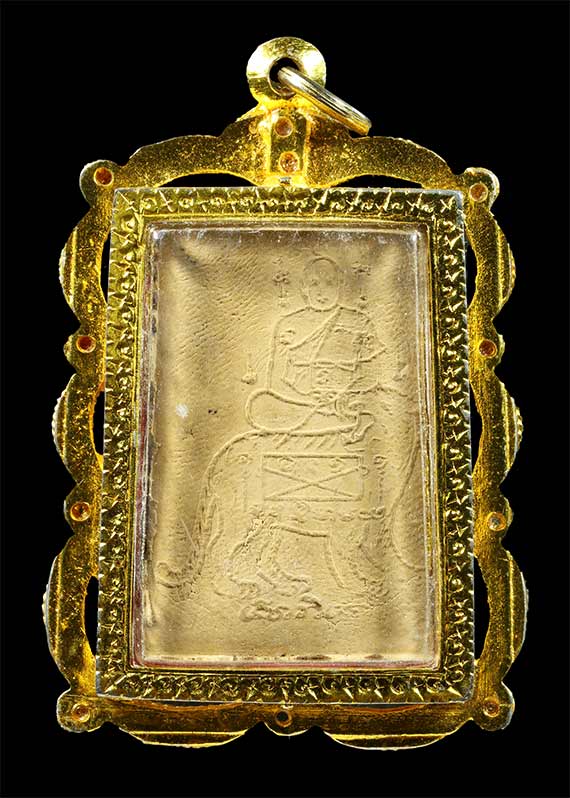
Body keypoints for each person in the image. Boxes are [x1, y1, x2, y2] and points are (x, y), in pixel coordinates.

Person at [246, 256, 382, 443]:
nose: (321, 291)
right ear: (304, 288)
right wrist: (306, 399)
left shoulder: (359, 321)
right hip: (301, 403)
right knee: (259, 403)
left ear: (340, 286)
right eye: (314, 284)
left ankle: (330, 422)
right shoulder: (288, 324)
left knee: (375, 403)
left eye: (329, 283)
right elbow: (275, 382)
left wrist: (341, 396)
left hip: (345, 403)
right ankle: (337, 424)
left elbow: (372, 374)